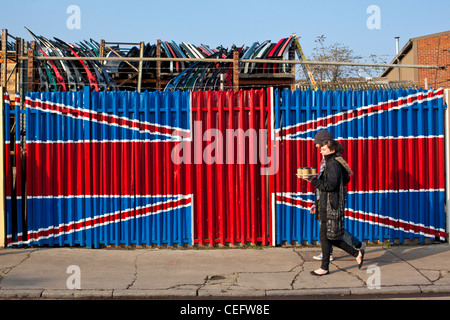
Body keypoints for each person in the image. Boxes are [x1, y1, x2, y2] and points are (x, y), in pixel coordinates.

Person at [301, 139, 364, 275]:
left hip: (330, 206)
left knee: (327, 237)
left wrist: (312, 180)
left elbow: (330, 186)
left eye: (323, 149)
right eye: (320, 148)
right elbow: (326, 187)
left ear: (332, 149)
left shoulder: (333, 164)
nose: (320, 151)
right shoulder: (330, 163)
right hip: (325, 204)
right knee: (329, 237)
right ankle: (355, 253)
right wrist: (316, 204)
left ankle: (325, 267)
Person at [311, 130, 365, 261]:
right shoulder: (327, 158)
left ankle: (355, 246)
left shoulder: (333, 160)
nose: (317, 148)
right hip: (325, 198)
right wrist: (316, 202)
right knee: (329, 228)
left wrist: (312, 180)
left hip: (331, 199)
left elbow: (331, 183)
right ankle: (330, 253)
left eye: (319, 145)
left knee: (331, 229)